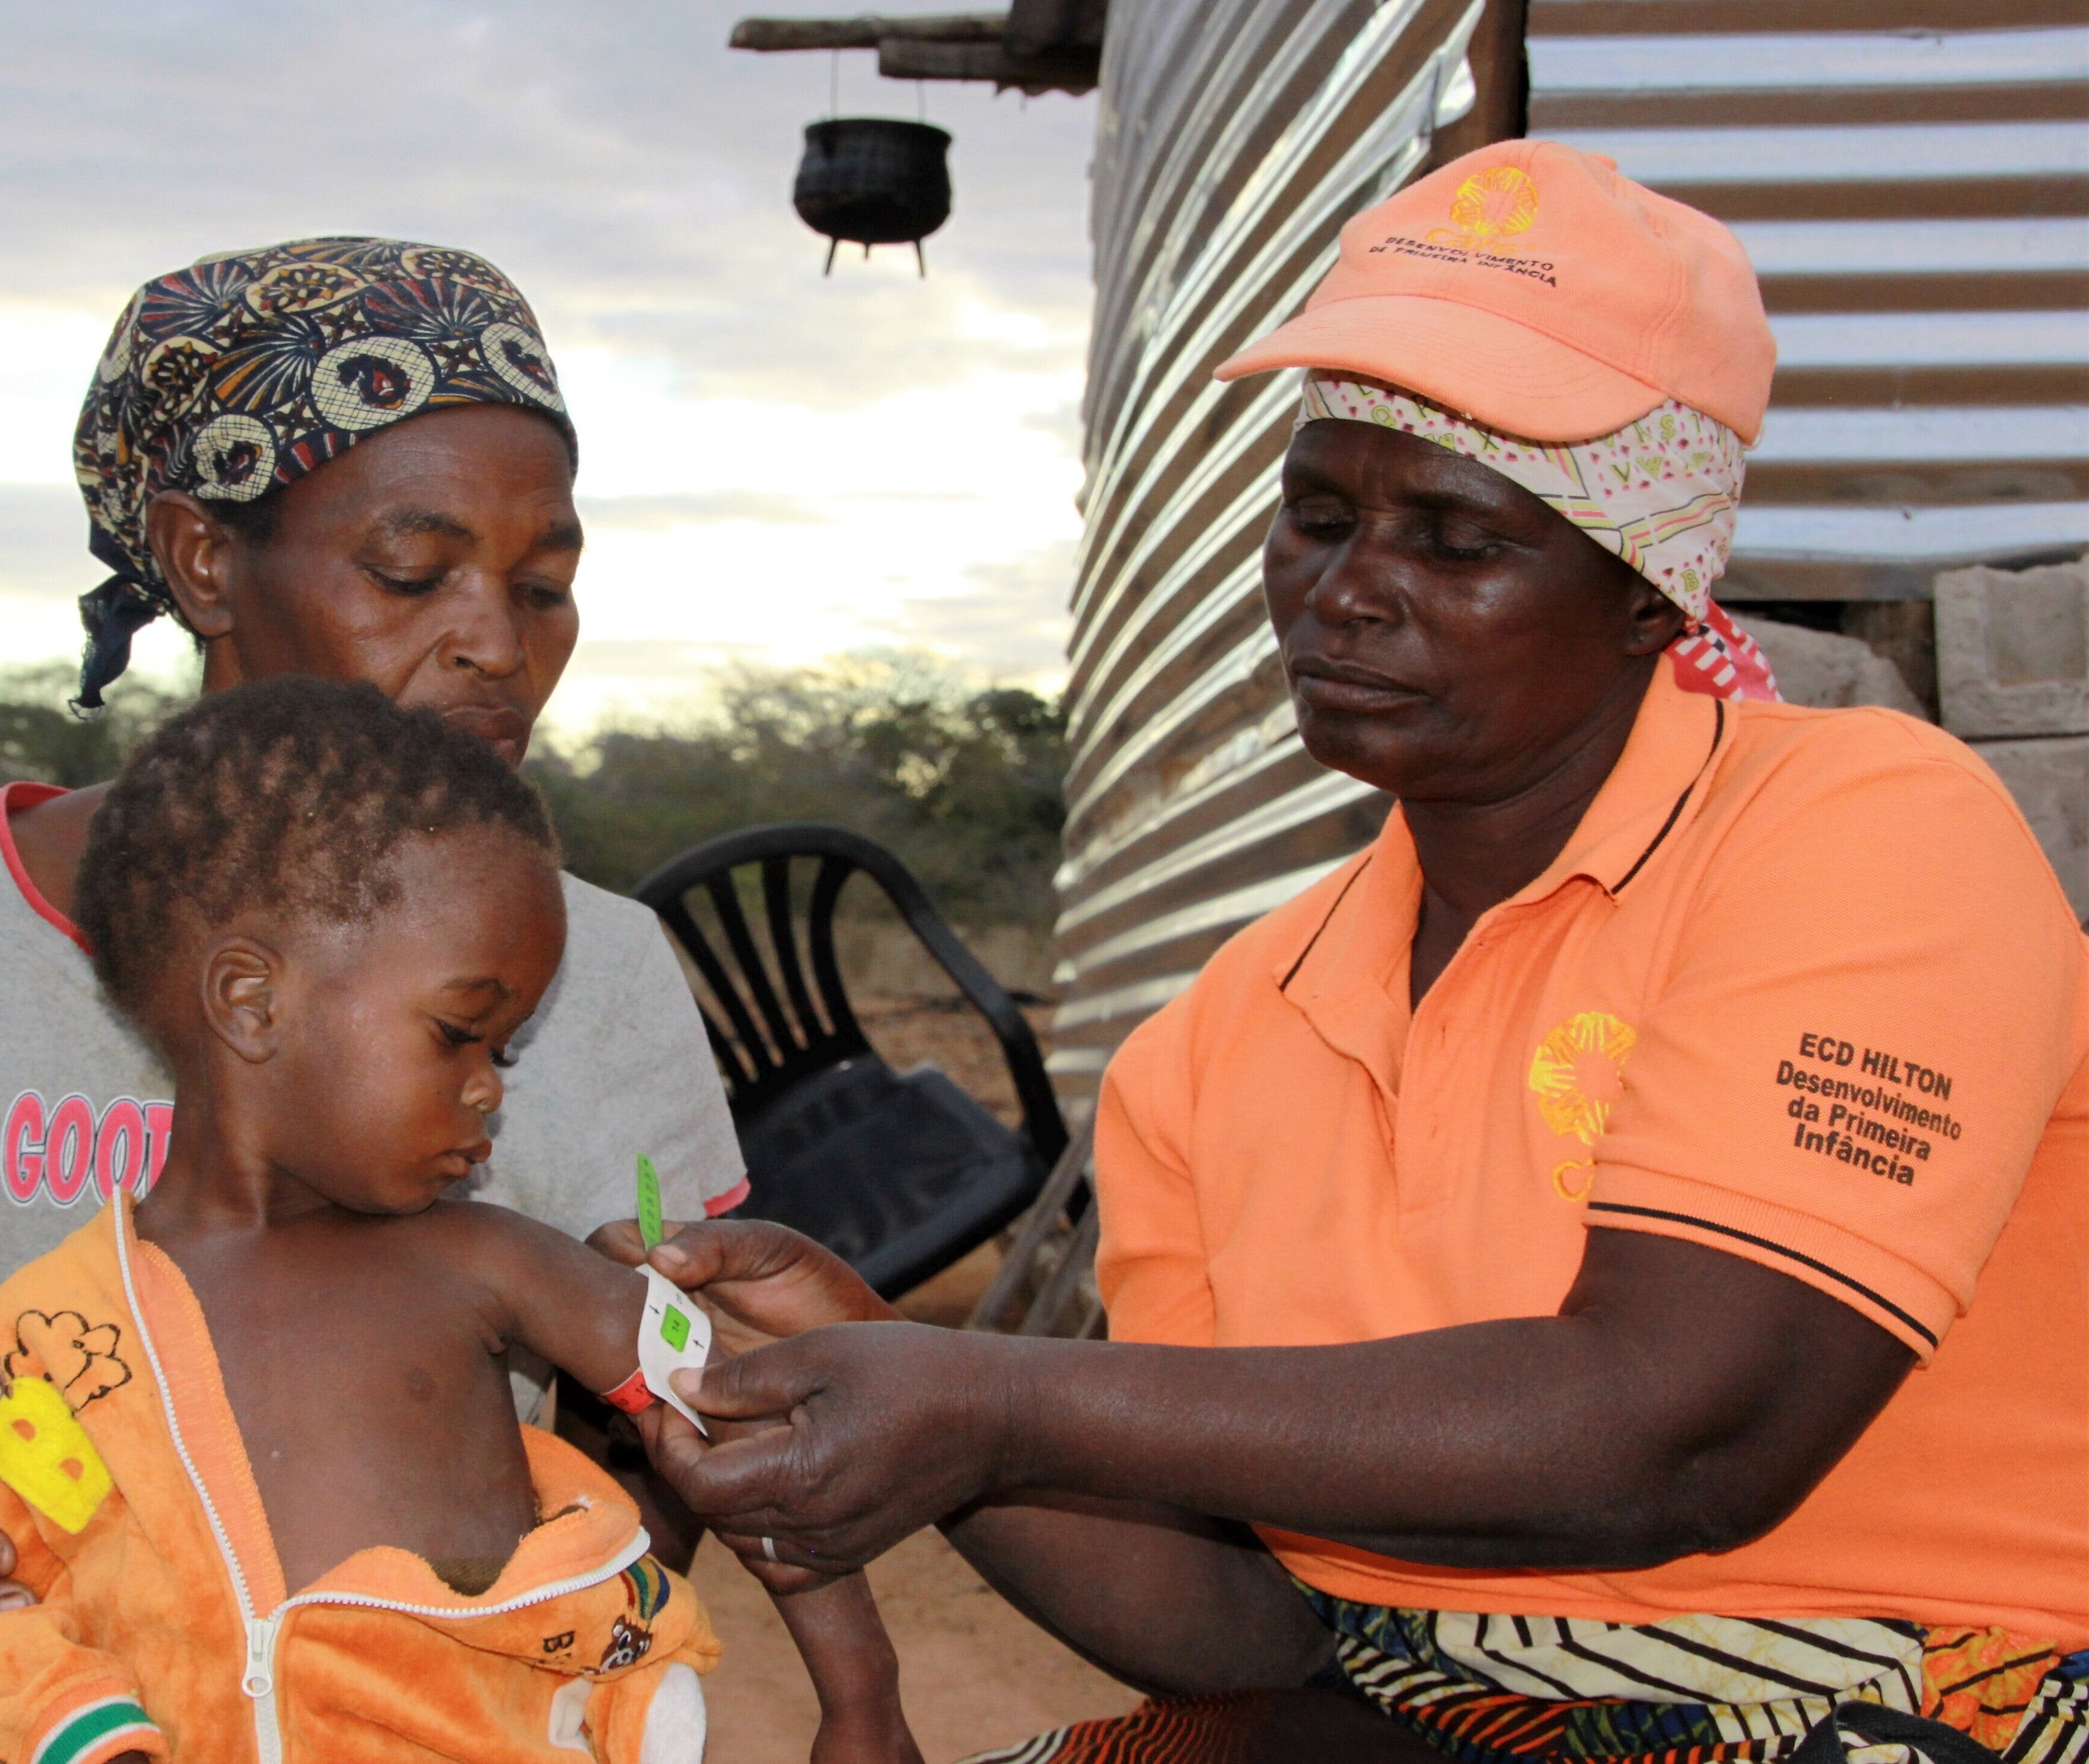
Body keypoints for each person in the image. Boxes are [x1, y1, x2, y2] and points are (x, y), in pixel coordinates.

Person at [624, 142, 2089, 1763]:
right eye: (1315, 518)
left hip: (1898, 1697)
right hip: (1416, 1705)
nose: (1345, 595)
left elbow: (1689, 1429)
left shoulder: (1865, 830)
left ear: (1650, 595)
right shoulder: (1221, 1036)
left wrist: (1001, 1402)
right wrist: (877, 1353)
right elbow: (1250, 1616)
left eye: (1455, 542)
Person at [0, 239, 749, 1764]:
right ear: (201, 558)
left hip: (408, 1686)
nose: (498, 643)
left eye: (544, 585)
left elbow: (671, 1416)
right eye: (410, 573)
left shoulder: (604, 967)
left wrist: (499, 1659)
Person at [0, 678, 914, 1764]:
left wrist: (862, 1706)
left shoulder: (491, 1262)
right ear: (249, 1001)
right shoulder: (50, 1333)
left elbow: (750, 1434)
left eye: (503, 1049)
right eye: (459, 1032)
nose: (489, 1089)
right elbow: (7, 1602)